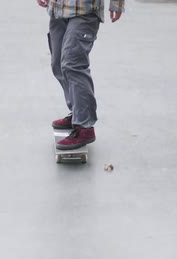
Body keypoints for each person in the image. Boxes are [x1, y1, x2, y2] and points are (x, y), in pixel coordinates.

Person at [36, 0, 125, 150]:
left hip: (85, 10)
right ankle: (78, 112)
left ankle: (84, 126)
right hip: (58, 8)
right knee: (57, 63)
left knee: (73, 64)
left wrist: (117, 4)